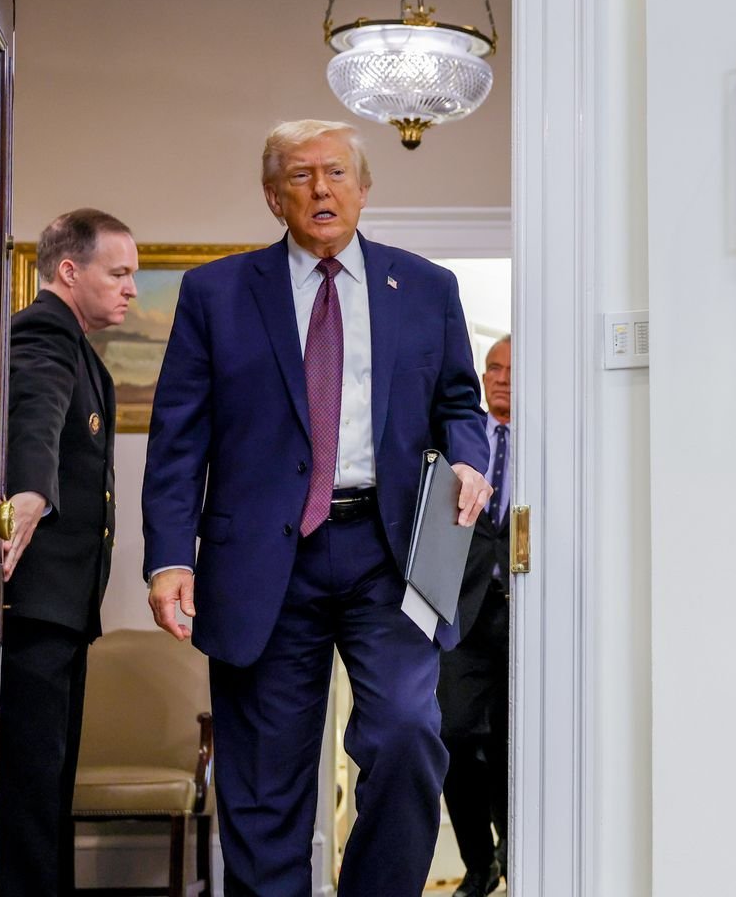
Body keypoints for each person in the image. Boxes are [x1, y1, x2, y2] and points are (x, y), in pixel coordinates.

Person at [142, 119, 492, 895]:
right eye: (300, 176)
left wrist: (471, 459)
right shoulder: (218, 293)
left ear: (365, 189)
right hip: (263, 558)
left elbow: (460, 404)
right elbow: (176, 438)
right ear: (274, 197)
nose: (321, 189)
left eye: (336, 173)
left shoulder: (427, 287)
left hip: (390, 551)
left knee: (407, 734)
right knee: (265, 782)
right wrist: (169, 557)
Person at [0, 208, 137, 896]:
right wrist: (28, 489)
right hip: (37, 608)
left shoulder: (80, 345)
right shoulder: (45, 331)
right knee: (28, 788)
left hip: (61, 609)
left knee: (48, 782)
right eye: (118, 272)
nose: (130, 288)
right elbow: (36, 407)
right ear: (70, 270)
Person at [440, 335, 512, 897]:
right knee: (455, 735)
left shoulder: (554, 438)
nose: (502, 378)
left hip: (525, 616)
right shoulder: (458, 440)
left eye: (512, 369)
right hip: (461, 611)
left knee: (517, 741)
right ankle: (480, 862)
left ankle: (518, 851)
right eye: (493, 368)